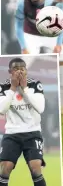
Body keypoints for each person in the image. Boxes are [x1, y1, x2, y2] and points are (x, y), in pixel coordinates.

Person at [15, 0, 63, 117]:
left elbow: (62, 24)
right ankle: (18, 103)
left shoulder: (56, 1)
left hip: (51, 36)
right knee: (23, 67)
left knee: (61, 69)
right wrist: (23, 46)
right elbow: (17, 27)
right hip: (31, 36)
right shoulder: (22, 2)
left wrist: (59, 44)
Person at [0, 58, 47, 186]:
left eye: (22, 69)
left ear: (26, 70)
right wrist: (13, 88)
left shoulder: (35, 85)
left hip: (32, 132)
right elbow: (2, 110)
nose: (20, 71)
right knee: (5, 167)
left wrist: (25, 89)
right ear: (10, 72)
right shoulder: (3, 87)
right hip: (12, 133)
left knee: (36, 167)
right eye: (16, 69)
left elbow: (40, 108)